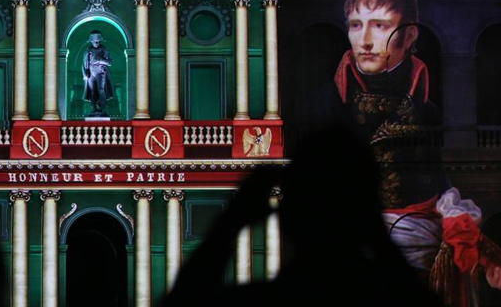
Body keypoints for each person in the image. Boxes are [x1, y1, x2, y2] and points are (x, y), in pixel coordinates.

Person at [300, 0, 501, 306]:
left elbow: (435, 189)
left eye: (380, 26)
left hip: (420, 264)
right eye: (355, 25)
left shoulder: (424, 108)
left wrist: (483, 252)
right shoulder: (325, 104)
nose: (364, 40)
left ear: (409, 35)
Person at [163, 127, 445, 307]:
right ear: (367, 216)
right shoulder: (387, 298)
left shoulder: (260, 301)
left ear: (286, 217)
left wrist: (231, 221)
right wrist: (377, 235)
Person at [82, 30, 114, 117]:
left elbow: (109, 62)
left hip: (101, 72)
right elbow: (84, 63)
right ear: (91, 41)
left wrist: (98, 60)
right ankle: (94, 107)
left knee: (101, 89)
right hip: (91, 72)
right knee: (92, 91)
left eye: (98, 41)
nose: (97, 43)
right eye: (95, 41)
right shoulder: (88, 50)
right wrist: (85, 73)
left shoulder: (103, 49)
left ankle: (102, 107)